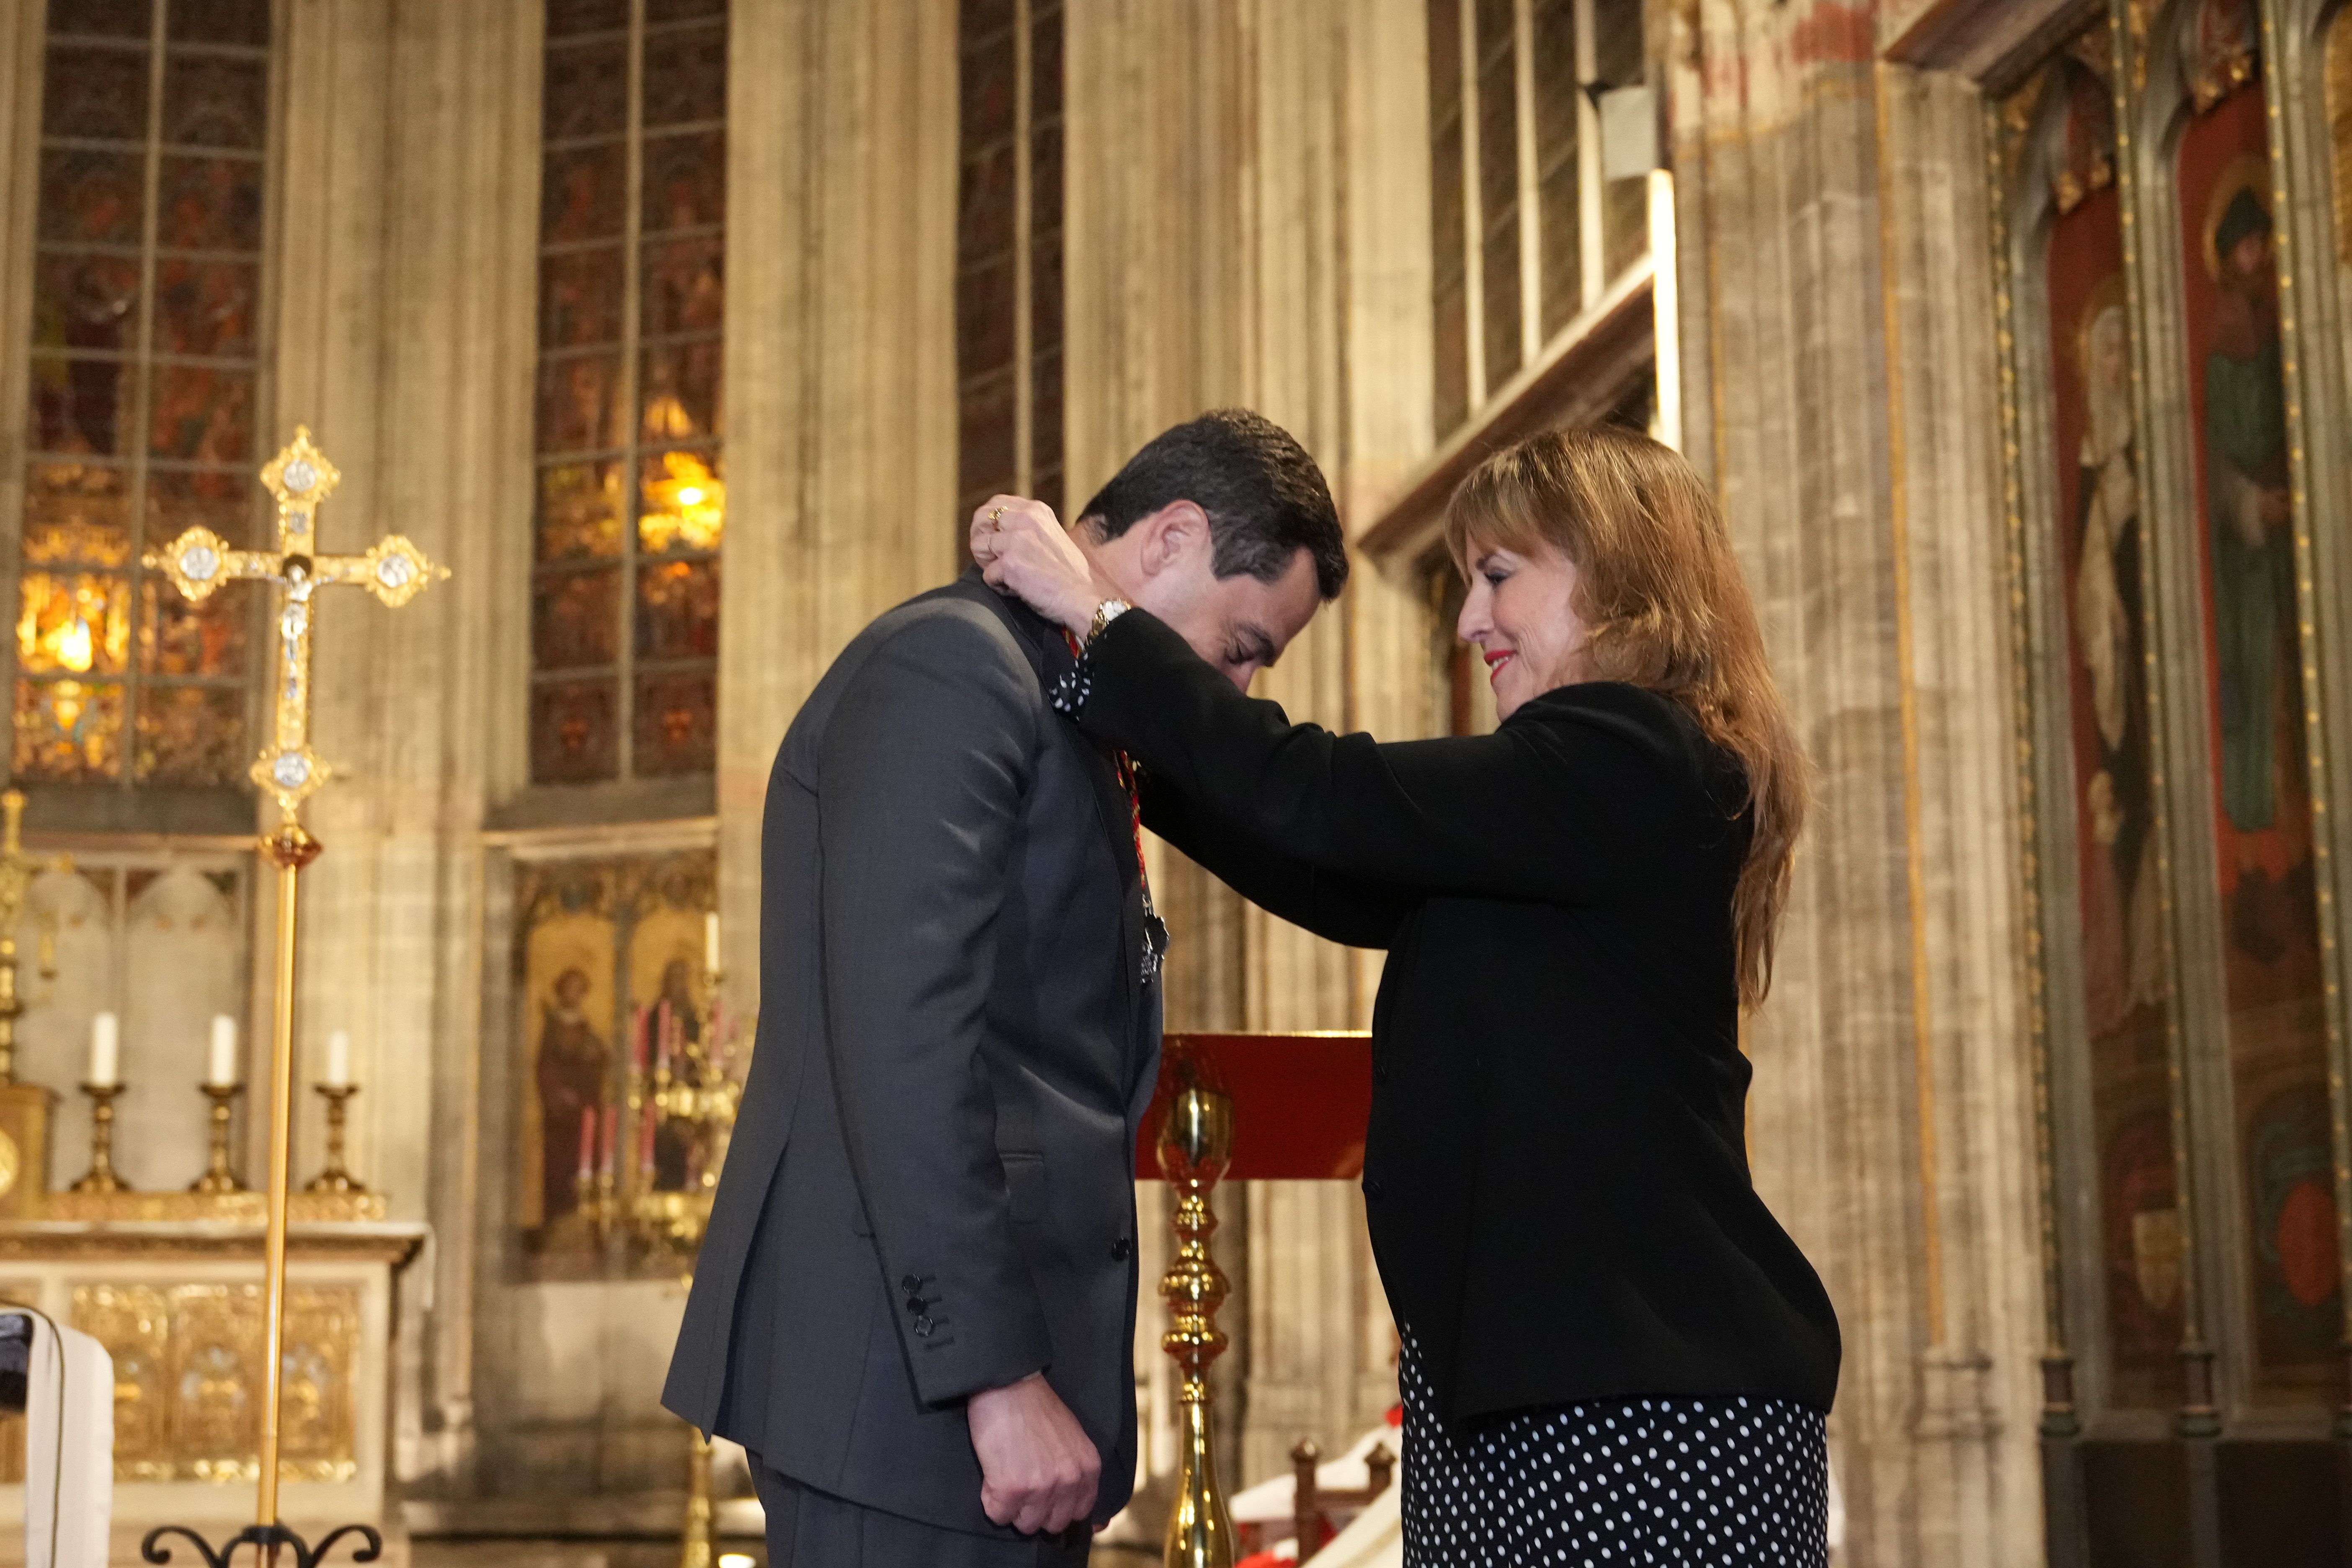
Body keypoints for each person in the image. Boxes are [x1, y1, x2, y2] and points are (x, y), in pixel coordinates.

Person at [973, 423, 1842, 1565]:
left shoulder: (1641, 754)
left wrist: (1097, 621)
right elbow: (1316, 858)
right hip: (1529, 1400)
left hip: (1641, 1405)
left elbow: (1320, 797)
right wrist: (1103, 728)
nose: (1471, 620)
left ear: (1622, 577)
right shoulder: (1569, 818)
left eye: (1497, 576)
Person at [663, 409, 1348, 1566]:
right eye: (1243, 645)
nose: (1232, 687)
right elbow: (903, 1043)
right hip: (914, 1405)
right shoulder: (955, 665)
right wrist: (994, 1380)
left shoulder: (1060, 694)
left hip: (974, 1415)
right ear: (1175, 536)